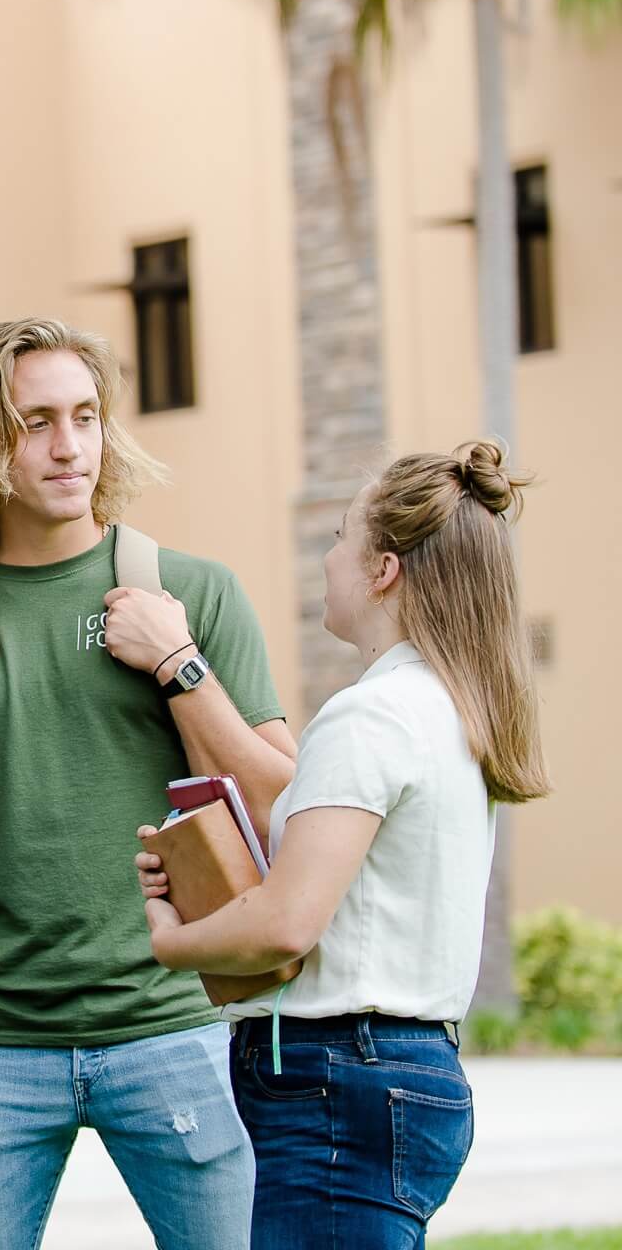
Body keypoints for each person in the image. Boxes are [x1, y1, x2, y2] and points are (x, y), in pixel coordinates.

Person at [0, 317, 297, 1250]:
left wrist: (179, 666)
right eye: (36, 421)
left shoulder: (191, 595)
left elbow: (280, 804)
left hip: (172, 1023)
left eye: (85, 417)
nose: (69, 446)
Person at [137, 440, 551, 1249]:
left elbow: (288, 924)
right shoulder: (449, 711)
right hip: (403, 1071)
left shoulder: (370, 716)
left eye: (339, 538)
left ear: (384, 569)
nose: (327, 560)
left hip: (335, 1081)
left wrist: (171, 940)